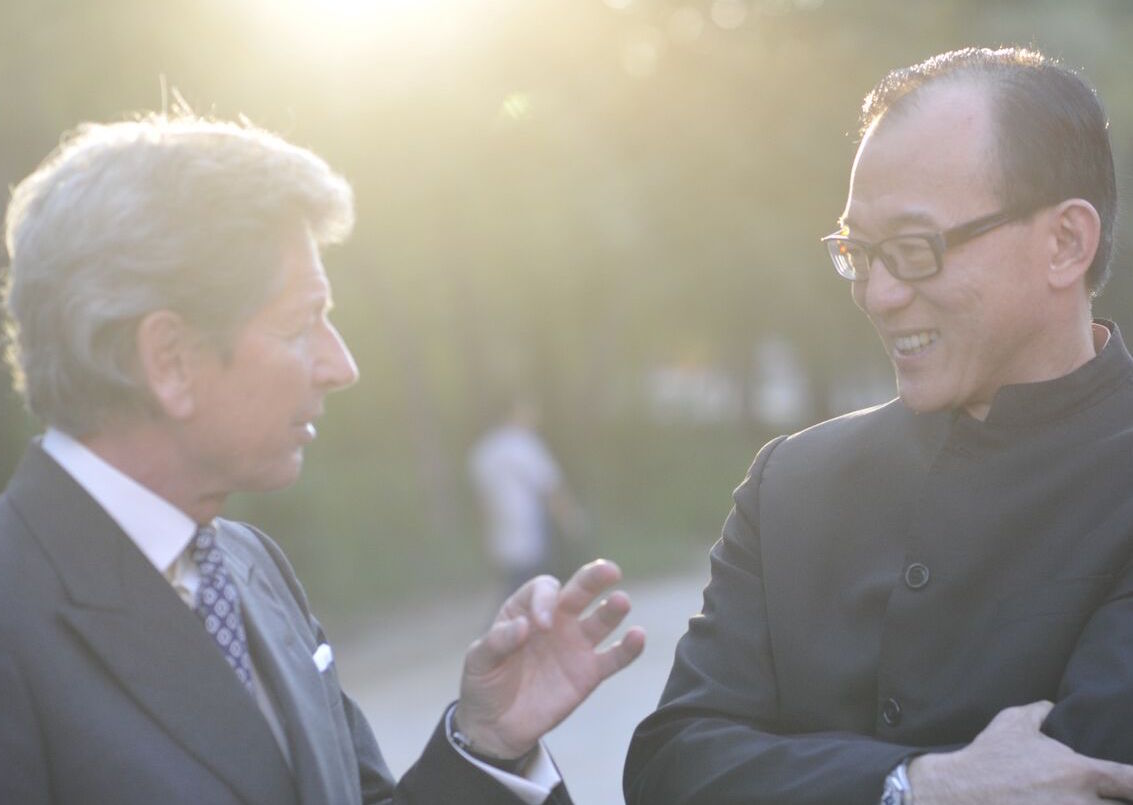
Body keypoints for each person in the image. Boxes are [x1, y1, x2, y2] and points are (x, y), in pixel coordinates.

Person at [0, 114, 645, 805]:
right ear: (170, 360)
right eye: (301, 323)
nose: (342, 365)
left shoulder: (250, 566)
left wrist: (486, 745)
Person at [625, 47, 1133, 804]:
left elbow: (1082, 777)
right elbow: (675, 763)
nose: (879, 293)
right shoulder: (793, 481)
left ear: (1064, 242)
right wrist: (913, 784)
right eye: (859, 252)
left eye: (913, 249)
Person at [469, 394, 585, 597]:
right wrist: (570, 520)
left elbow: (480, 500)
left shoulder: (484, 450)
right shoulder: (525, 445)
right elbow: (550, 487)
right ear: (515, 413)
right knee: (529, 589)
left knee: (514, 585)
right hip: (529, 529)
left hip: (498, 533)